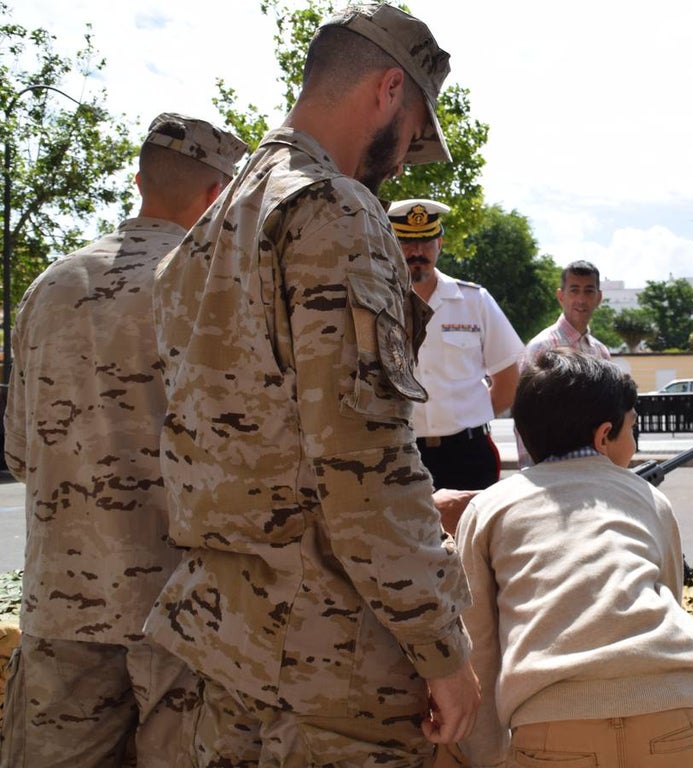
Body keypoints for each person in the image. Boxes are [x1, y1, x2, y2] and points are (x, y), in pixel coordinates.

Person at [145, 5, 480, 765]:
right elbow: (364, 471)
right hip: (330, 664)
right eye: (414, 131)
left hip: (229, 648)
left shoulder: (207, 229)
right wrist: (441, 650)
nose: (401, 164)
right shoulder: (332, 208)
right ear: (390, 89)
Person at [0, 114, 246, 767]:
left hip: (63, 616)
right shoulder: (218, 293)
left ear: (139, 181)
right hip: (182, 621)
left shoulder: (45, 289)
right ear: (217, 196)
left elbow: (22, 455)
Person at [456, 349, 693, 767]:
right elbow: (672, 592)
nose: (633, 443)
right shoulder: (650, 498)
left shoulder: (491, 508)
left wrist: (489, 755)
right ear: (603, 436)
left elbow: (479, 645)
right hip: (680, 712)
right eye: (631, 429)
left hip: (554, 726)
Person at [387, 198, 523, 497]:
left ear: (440, 244)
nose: (417, 252)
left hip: (468, 454)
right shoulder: (376, 303)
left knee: (472, 540)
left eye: (425, 242)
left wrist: (468, 416)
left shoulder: (474, 301)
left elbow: (508, 381)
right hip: (401, 453)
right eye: (406, 242)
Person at [516, 260, 612, 465]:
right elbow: (526, 417)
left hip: (595, 469)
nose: (581, 299)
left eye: (588, 291)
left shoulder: (601, 352)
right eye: (574, 290)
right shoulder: (541, 348)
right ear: (561, 296)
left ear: (599, 297)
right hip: (550, 471)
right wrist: (531, 470)